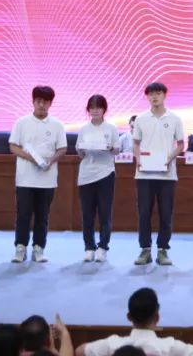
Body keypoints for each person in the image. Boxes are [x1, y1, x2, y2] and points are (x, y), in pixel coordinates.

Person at [9, 85, 67, 263]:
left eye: (45, 102)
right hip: (25, 178)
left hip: (47, 179)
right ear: (33, 101)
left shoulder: (57, 125)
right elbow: (13, 146)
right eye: (39, 101)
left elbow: (62, 148)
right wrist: (31, 158)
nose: (42, 105)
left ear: (50, 103)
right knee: (23, 215)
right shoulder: (22, 122)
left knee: (42, 216)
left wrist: (51, 160)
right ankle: (20, 248)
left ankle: (39, 248)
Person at [132, 82, 185, 266]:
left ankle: (163, 250)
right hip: (144, 175)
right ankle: (145, 250)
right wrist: (138, 159)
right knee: (144, 214)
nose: (154, 97)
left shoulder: (175, 118)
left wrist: (169, 158)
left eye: (158, 93)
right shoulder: (141, 118)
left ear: (164, 95)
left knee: (166, 214)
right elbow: (136, 143)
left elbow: (181, 144)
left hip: (167, 175)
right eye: (151, 94)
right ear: (147, 97)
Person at [75, 287, 193, 356]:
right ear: (157, 317)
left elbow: (79, 351)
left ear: (129, 316)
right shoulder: (171, 347)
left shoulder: (112, 344)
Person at [77, 94, 120, 262]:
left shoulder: (111, 128)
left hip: (105, 174)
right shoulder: (83, 129)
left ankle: (103, 247)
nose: (95, 111)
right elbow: (80, 153)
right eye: (92, 108)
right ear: (88, 110)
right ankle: (89, 247)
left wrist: (109, 148)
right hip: (86, 175)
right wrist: (82, 149)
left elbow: (117, 150)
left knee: (104, 213)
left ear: (104, 110)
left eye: (98, 107)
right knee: (87, 214)